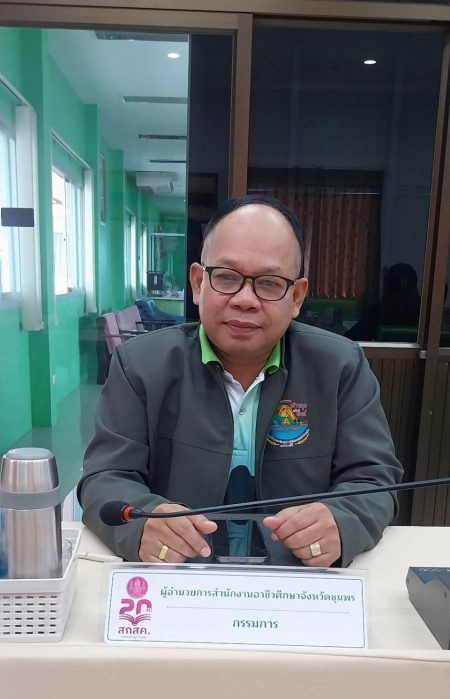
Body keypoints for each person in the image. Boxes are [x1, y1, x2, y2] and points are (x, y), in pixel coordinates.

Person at [78, 195, 403, 568]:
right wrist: (142, 525)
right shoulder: (140, 365)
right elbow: (105, 478)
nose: (245, 300)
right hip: (180, 578)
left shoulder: (340, 367)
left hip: (297, 583)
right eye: (227, 278)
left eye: (269, 283)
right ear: (198, 283)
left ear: (296, 297)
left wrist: (341, 521)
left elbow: (375, 479)